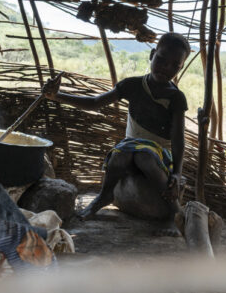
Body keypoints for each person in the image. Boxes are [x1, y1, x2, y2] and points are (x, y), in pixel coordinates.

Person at [43, 32, 190, 236]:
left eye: (174, 65)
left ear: (180, 69)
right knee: (120, 154)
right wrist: (56, 96)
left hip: (158, 156)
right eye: (162, 59)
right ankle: (104, 196)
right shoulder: (132, 85)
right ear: (152, 55)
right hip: (130, 147)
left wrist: (176, 173)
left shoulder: (176, 98)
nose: (166, 67)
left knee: (144, 155)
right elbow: (95, 103)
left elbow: (178, 139)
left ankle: (175, 213)